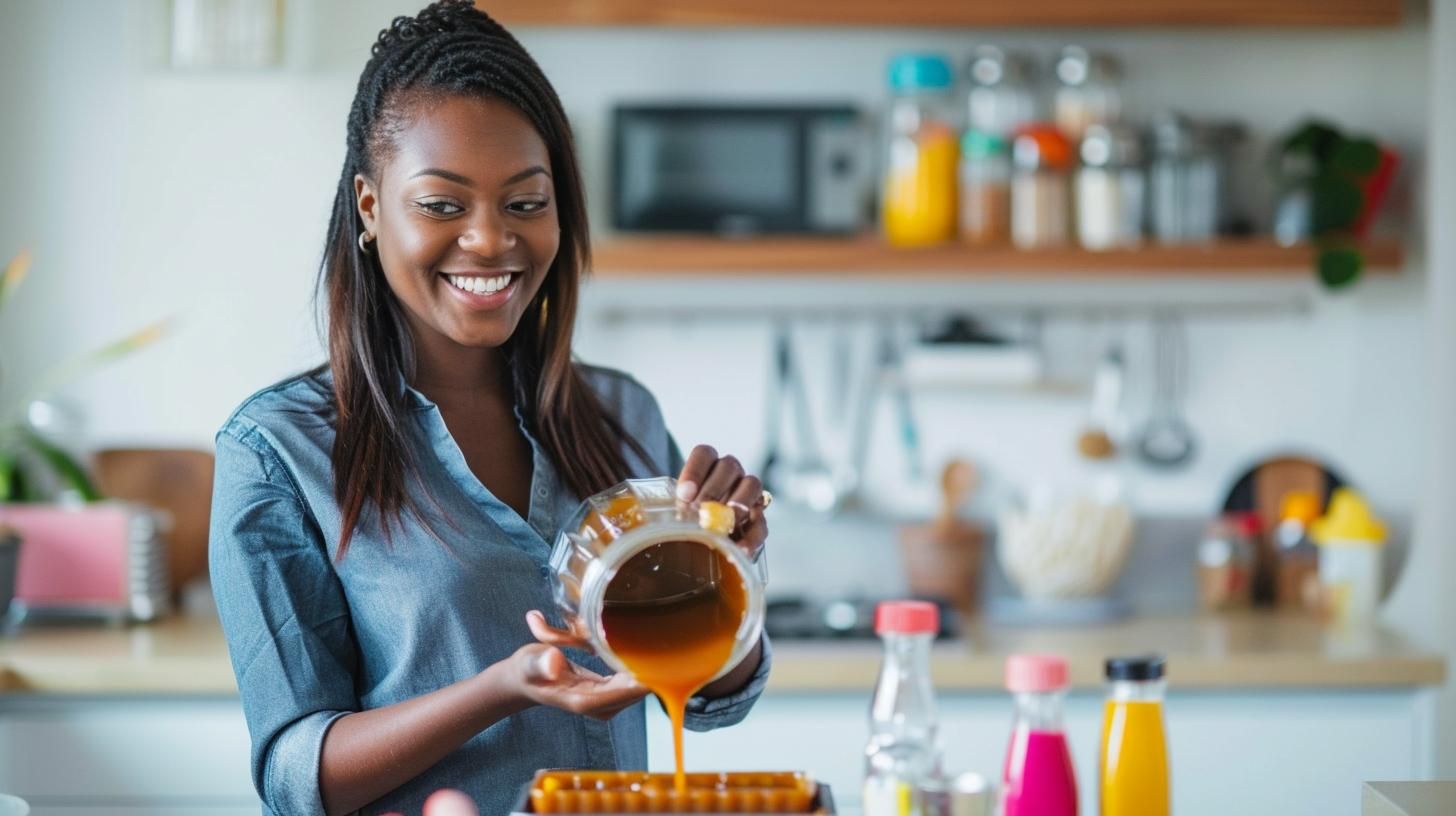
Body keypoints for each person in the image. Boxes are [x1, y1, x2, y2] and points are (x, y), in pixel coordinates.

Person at [208, 3, 771, 814]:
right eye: (442, 205)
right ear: (371, 208)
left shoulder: (623, 415)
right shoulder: (278, 452)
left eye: (524, 203)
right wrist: (506, 688)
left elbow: (716, 697)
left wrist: (732, 576)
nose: (489, 241)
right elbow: (298, 776)